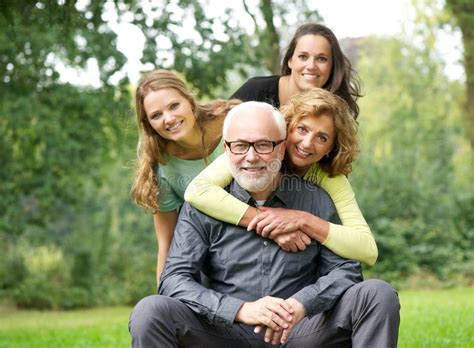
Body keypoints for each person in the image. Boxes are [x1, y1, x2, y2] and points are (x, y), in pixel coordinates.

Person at [129, 102, 400, 347]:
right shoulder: (203, 205)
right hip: (225, 332)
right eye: (241, 145)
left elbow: (345, 271)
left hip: (301, 332)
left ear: (282, 147)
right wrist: (239, 310)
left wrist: (301, 305)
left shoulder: (318, 198)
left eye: (263, 145)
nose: (251, 157)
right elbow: (174, 279)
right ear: (226, 149)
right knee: (151, 310)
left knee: (376, 294)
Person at [185, 88, 377, 265]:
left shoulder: (329, 177)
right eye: (302, 129)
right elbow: (197, 191)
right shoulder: (256, 153)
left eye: (322, 138)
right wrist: (271, 224)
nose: (307, 143)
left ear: (331, 148)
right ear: (287, 127)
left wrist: (303, 220)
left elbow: (367, 250)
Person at [130, 69, 240, 283]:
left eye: (174, 106)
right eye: (156, 115)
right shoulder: (162, 167)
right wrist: (164, 298)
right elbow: (168, 243)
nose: (168, 119)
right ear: (148, 123)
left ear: (189, 101)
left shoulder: (232, 120)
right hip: (219, 257)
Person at [231, 22, 362, 118]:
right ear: (290, 60)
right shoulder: (256, 90)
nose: (311, 66)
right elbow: (213, 126)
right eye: (303, 57)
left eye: (321, 59)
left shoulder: (335, 111)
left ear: (332, 65)